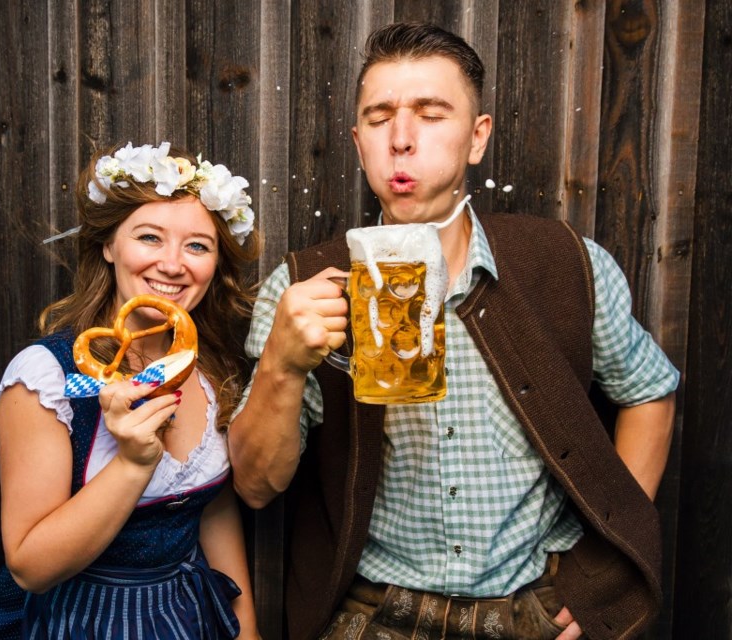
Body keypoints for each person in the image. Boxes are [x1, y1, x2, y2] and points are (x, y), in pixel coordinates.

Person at [228, 22, 678, 640]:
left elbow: (649, 393)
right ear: (359, 143)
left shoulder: (564, 263)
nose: (402, 139)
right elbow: (256, 487)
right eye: (380, 118)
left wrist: (603, 567)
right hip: (371, 613)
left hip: (532, 610)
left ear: (477, 137)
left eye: (431, 113)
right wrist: (282, 363)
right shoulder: (300, 286)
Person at [0, 141, 261, 639]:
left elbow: (211, 507)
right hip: (72, 620)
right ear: (108, 245)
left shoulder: (209, 368)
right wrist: (132, 462)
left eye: (197, 245)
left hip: (185, 615)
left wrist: (247, 632)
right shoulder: (48, 377)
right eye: (150, 237)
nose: (173, 265)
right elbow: (30, 567)